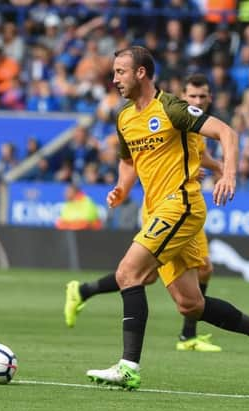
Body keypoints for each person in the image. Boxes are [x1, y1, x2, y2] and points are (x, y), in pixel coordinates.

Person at [81, 46, 249, 391]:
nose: (114, 79)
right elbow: (129, 161)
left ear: (141, 73)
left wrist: (229, 174)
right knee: (190, 305)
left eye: (120, 72)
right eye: (114, 72)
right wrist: (121, 187)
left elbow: (228, 134)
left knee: (128, 273)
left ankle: (129, 366)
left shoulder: (171, 108)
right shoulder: (125, 118)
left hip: (181, 203)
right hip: (157, 208)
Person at [65, 74, 224, 353]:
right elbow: (140, 158)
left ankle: (187, 335)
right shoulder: (170, 115)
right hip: (165, 206)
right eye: (193, 96)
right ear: (183, 96)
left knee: (194, 270)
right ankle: (84, 293)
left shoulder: (196, 129)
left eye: (203, 96)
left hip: (185, 204)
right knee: (140, 275)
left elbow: (200, 158)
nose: (198, 101)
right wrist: (123, 187)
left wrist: (220, 170)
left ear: (209, 98)